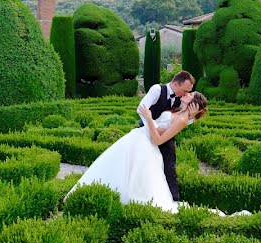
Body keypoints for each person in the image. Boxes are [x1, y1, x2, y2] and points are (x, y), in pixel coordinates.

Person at [65, 91, 208, 212]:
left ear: (193, 103)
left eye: (191, 94)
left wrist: (149, 118)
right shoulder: (178, 110)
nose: (187, 93)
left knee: (134, 176)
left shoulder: (182, 119)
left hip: (146, 145)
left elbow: (159, 140)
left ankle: (122, 202)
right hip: (138, 139)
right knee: (119, 167)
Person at [136, 71, 195, 201]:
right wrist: (155, 128)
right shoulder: (157, 89)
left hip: (165, 136)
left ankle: (173, 198)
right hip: (146, 133)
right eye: (185, 90)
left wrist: (191, 115)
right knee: (143, 166)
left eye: (189, 91)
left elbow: (181, 119)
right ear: (175, 84)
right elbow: (141, 109)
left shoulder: (182, 98)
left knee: (169, 166)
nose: (186, 94)